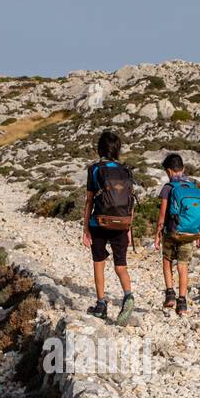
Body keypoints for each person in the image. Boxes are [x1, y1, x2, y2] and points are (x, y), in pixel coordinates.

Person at [82, 130, 136, 323]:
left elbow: (89, 201)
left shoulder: (95, 169)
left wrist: (85, 228)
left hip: (99, 222)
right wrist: (129, 228)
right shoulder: (126, 171)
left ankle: (101, 304)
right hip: (122, 223)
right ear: (118, 150)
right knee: (121, 265)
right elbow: (130, 201)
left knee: (99, 262)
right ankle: (128, 295)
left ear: (100, 149)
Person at [153, 153, 200, 316]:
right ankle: (182, 303)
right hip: (190, 233)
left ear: (168, 171)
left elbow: (162, 215)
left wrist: (158, 233)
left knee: (167, 260)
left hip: (172, 232)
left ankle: (170, 295)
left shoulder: (168, 188)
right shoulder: (193, 187)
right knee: (183, 266)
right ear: (182, 169)